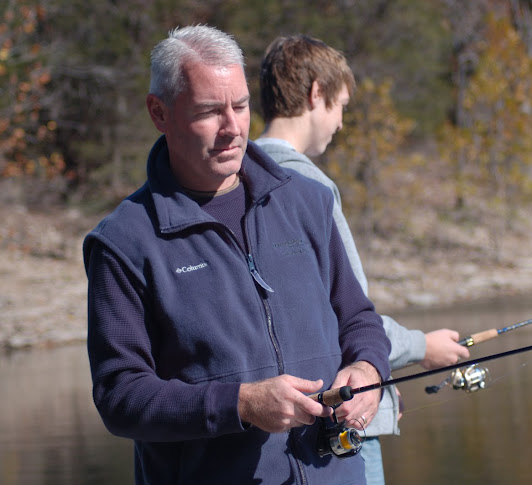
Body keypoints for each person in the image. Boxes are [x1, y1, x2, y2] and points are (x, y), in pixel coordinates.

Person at [83, 25, 391, 485]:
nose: (232, 128)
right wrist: (240, 404)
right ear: (159, 113)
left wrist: (368, 369)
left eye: (241, 106)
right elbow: (121, 396)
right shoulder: (124, 242)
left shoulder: (308, 202)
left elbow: (359, 320)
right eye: (209, 111)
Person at [256, 34, 470, 484]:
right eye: (341, 107)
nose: (340, 124)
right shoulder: (307, 190)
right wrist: (421, 347)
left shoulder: (242, 181)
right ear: (317, 93)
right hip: (342, 428)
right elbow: (348, 313)